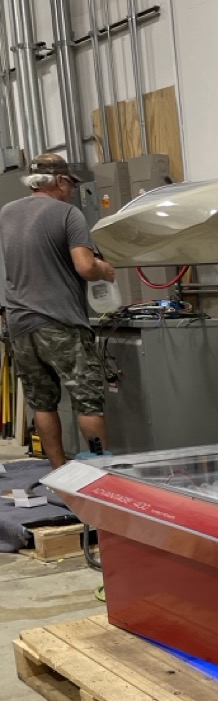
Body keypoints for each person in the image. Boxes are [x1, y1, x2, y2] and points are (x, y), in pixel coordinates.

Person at [0, 152, 116, 469]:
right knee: (88, 402)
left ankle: (58, 474)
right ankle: (99, 476)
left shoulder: (7, 212)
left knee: (42, 402)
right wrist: (104, 270)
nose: (74, 191)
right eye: (72, 184)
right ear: (60, 181)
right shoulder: (68, 214)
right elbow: (85, 266)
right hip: (60, 323)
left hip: (20, 325)